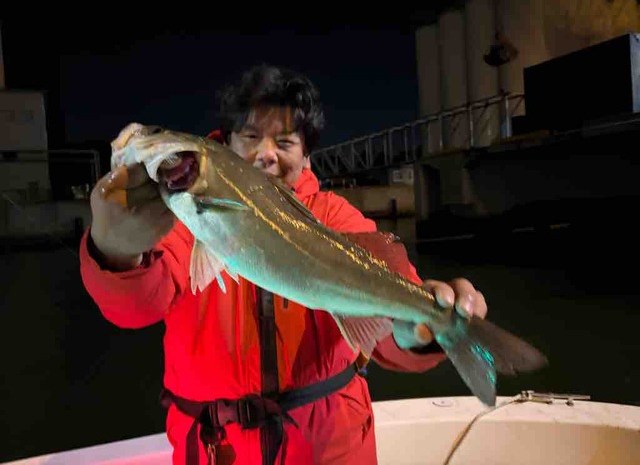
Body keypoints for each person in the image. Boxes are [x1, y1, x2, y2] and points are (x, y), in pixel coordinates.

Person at [80, 64, 487, 465]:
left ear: (307, 154)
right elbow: (138, 303)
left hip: (329, 449)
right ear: (226, 142)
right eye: (250, 137)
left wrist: (421, 332)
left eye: (285, 141)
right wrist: (116, 249)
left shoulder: (335, 217)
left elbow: (389, 327)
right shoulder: (180, 224)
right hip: (217, 450)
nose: (266, 154)